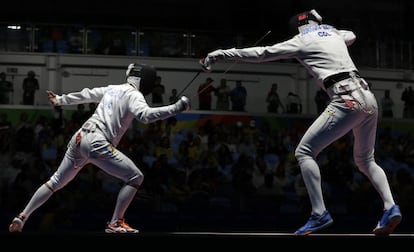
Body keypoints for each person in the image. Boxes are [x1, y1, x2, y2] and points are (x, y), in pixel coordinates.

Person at [200, 9, 401, 236]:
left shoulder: (302, 40)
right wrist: (329, 30)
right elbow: (352, 35)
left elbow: (262, 53)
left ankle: (319, 214)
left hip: (346, 98)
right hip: (369, 98)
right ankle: (390, 206)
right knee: (365, 160)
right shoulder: (335, 34)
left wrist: (221, 54)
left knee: (304, 152)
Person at [8, 62, 191, 233]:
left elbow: (86, 94)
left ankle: (22, 216)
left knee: (55, 182)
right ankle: (115, 222)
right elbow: (145, 116)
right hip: (97, 141)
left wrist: (60, 100)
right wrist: (176, 108)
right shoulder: (134, 95)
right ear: (144, 79)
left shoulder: (112, 89)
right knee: (136, 177)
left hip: (80, 137)